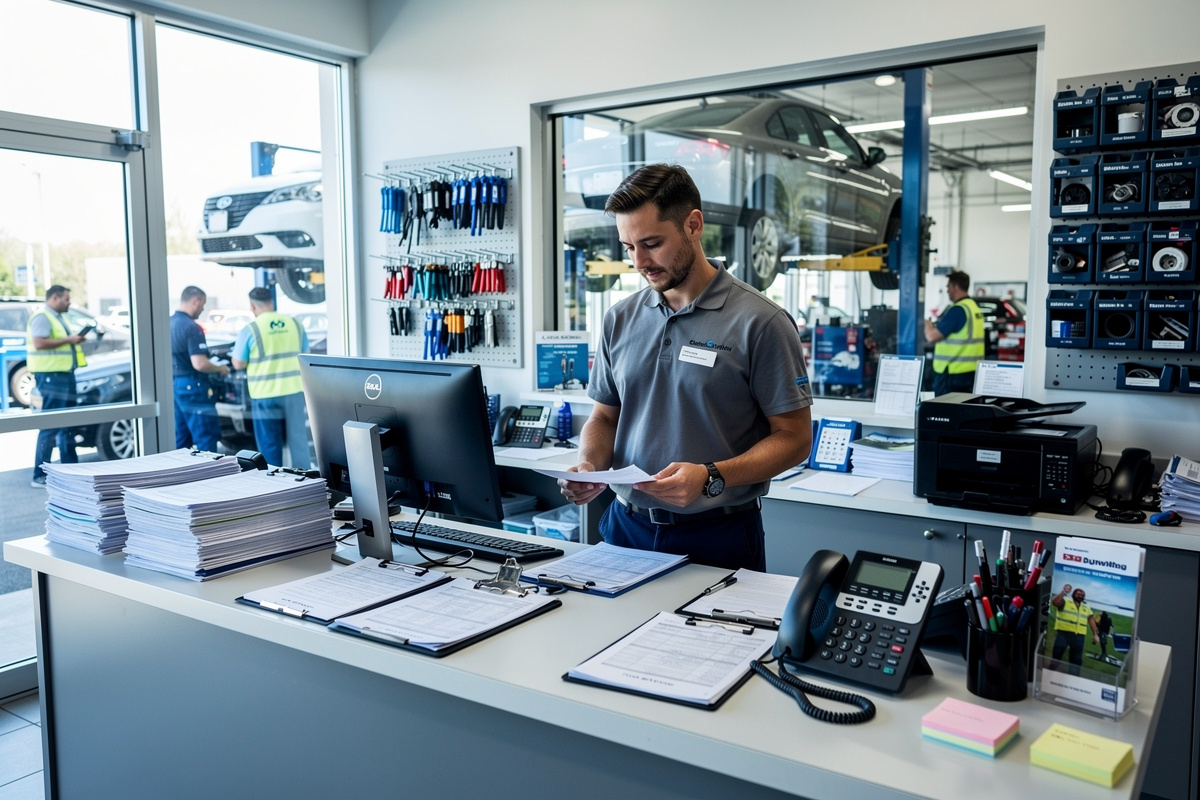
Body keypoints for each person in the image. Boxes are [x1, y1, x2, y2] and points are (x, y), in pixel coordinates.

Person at [557, 164, 813, 571]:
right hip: (626, 529)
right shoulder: (619, 318)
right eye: (628, 247)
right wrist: (590, 465)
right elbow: (604, 417)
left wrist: (712, 475)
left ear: (693, 225)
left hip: (718, 537)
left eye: (652, 243)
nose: (639, 261)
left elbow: (795, 438)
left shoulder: (761, 322)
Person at [231, 287, 310, 469]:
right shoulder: (295, 324)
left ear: (252, 306)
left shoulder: (250, 329)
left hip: (265, 394)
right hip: (294, 391)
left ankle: (273, 481)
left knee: (269, 444)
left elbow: (238, 364)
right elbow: (306, 355)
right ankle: (305, 482)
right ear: (271, 302)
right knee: (298, 441)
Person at [28, 285, 87, 487]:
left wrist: (72, 340)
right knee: (51, 425)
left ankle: (70, 470)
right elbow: (39, 343)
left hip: (63, 375)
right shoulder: (43, 317)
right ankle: (40, 474)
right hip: (52, 377)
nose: (69, 303)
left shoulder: (58, 317)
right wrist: (69, 340)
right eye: (66, 299)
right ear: (55, 297)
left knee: (67, 424)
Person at [171, 286, 229, 452]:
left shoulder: (168, 323)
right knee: (206, 437)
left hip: (175, 386)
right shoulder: (192, 327)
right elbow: (200, 363)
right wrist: (220, 368)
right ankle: (210, 476)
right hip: (193, 387)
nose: (202, 309)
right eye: (202, 305)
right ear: (195, 301)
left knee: (181, 439)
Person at [923, 270, 984, 396]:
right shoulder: (973, 307)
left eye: (948, 286)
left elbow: (931, 336)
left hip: (952, 373)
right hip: (970, 372)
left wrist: (928, 324)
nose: (947, 290)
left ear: (955, 287)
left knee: (944, 412)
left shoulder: (957, 310)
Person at [1050, 583, 1099, 676]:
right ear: (1073, 594)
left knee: (1076, 661)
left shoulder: (1086, 606)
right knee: (1056, 657)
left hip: (1079, 637)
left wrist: (1095, 634)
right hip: (1063, 634)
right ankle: (1049, 676)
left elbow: (1091, 619)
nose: (1080, 595)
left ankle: (1073, 680)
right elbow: (1055, 603)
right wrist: (1063, 592)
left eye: (1082, 594)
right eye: (1078, 593)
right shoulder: (1065, 601)